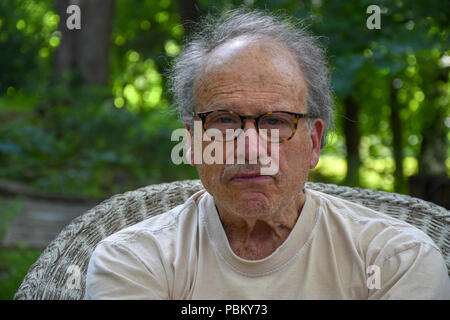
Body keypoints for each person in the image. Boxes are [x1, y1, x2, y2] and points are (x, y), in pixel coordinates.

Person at [84, 8, 450, 299]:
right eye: (224, 120)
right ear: (193, 142)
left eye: (275, 121)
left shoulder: (394, 258)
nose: (250, 148)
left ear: (314, 142)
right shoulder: (134, 259)